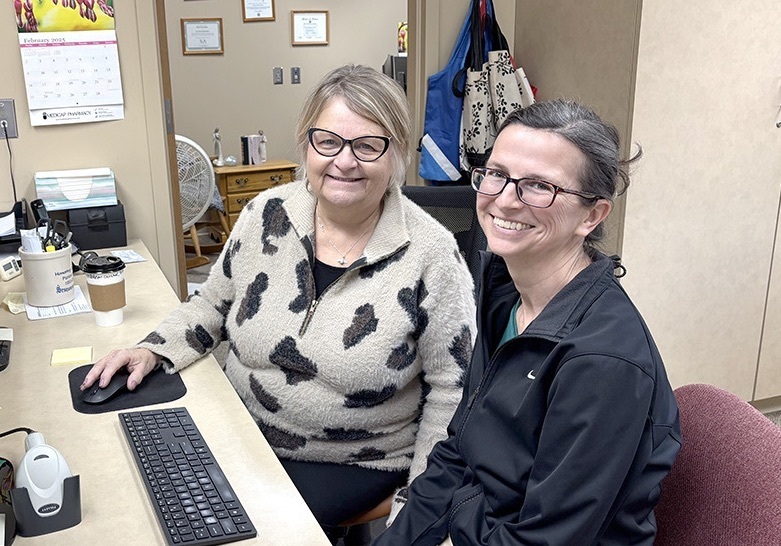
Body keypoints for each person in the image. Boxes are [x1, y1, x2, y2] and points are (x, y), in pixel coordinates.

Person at [81, 64, 477, 541]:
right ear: (306, 144)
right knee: (139, 491)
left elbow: (453, 391)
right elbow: (211, 304)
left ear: (395, 154)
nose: (344, 161)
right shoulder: (265, 214)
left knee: (232, 527)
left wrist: (419, 505)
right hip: (241, 425)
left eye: (368, 145)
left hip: (349, 460)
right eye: (327, 141)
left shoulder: (432, 254)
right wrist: (152, 349)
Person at [374, 99, 681, 546]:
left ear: (592, 215)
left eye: (538, 186)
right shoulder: (504, 296)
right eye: (496, 174)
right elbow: (458, 452)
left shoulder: (602, 362)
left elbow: (546, 539)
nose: (504, 199)